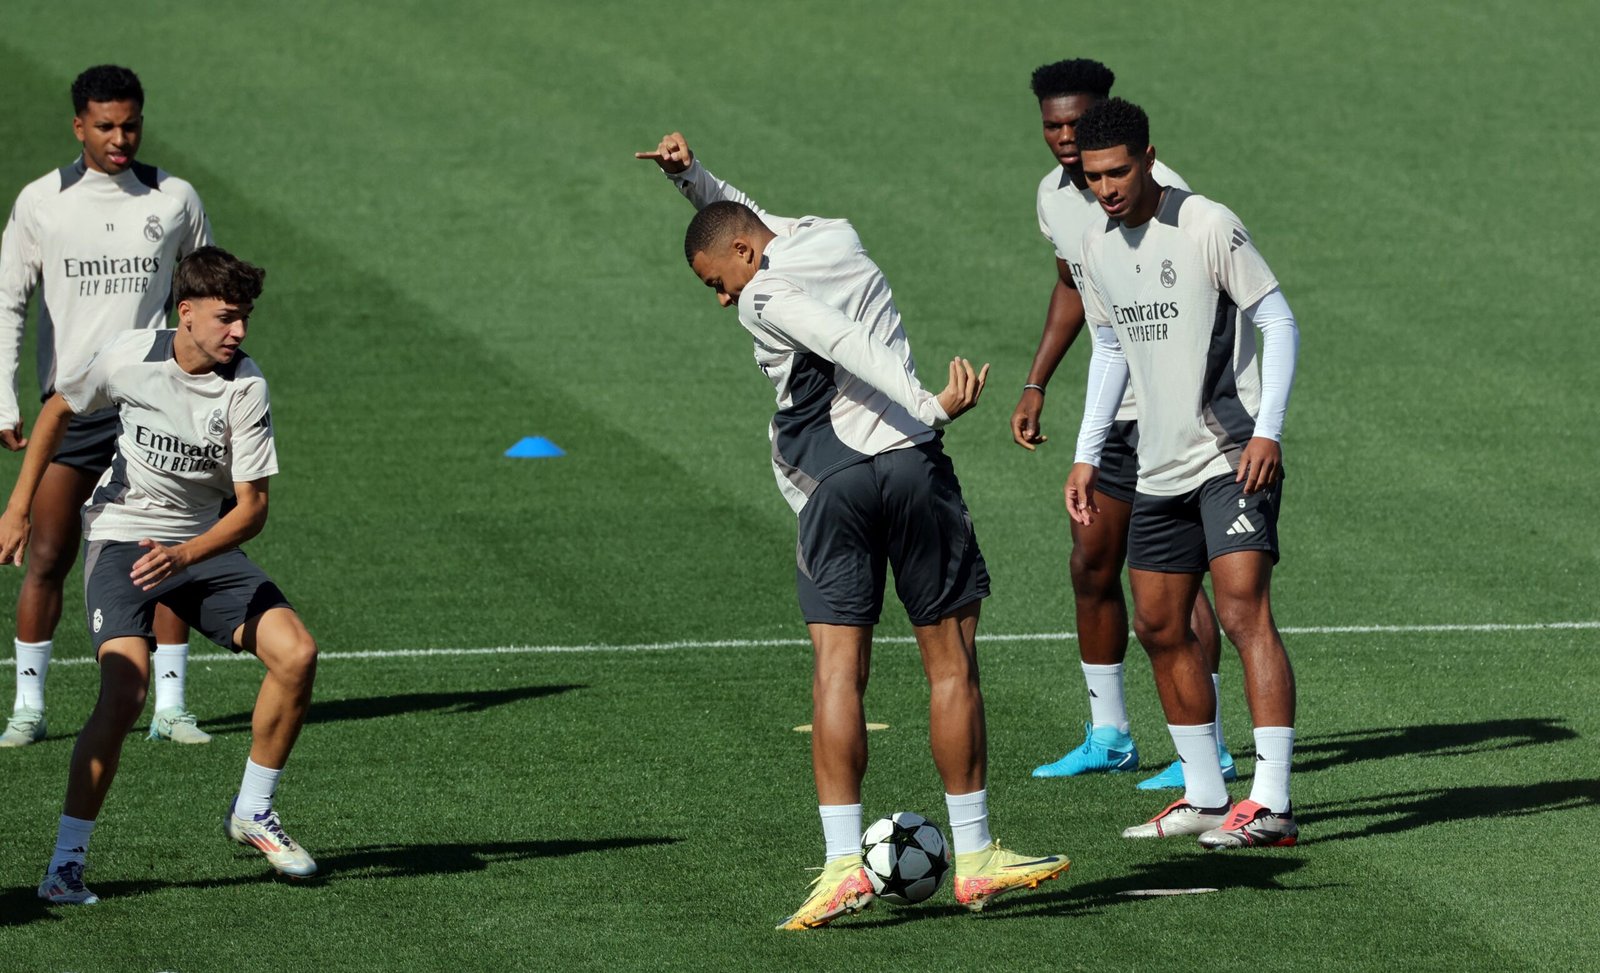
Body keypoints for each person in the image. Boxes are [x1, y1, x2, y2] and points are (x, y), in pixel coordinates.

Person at [636, 132, 1069, 927]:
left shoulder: (764, 299)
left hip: (831, 482)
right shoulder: (830, 234)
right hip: (910, 469)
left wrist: (926, 398)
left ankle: (842, 864)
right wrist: (691, 179)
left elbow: (838, 340)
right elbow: (747, 220)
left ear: (743, 255)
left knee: (840, 670)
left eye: (716, 284)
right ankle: (972, 856)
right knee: (951, 662)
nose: (725, 299)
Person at [0, 246, 320, 904]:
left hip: (200, 546)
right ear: (188, 313)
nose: (240, 332)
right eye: (228, 317)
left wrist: (187, 553)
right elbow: (60, 409)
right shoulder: (129, 356)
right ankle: (65, 864)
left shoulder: (246, 386)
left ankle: (252, 811)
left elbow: (254, 509)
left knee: (297, 653)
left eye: (246, 318)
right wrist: (17, 505)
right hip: (121, 542)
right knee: (125, 690)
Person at [1065, 98, 1301, 848]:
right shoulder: (1097, 250)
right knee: (1159, 624)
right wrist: (1086, 448)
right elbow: (1108, 351)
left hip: (1230, 455)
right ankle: (1203, 793)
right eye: (1094, 176)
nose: (1106, 187)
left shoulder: (1205, 222)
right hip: (1156, 467)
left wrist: (1267, 429)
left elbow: (1277, 317)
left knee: (1240, 614)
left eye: (1118, 171)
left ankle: (1270, 802)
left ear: (1148, 157)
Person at [1014, 59, 1235, 791]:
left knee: (1176, 586)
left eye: (1078, 123)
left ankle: (1212, 748)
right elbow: (1075, 289)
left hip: (1174, 419)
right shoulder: (1054, 197)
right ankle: (1109, 732)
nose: (1066, 138)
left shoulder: (1165, 193)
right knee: (1090, 560)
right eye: (1053, 125)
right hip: (1116, 416)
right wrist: (1037, 381)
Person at [0, 65, 213, 748]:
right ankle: (29, 705)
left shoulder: (175, 197)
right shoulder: (42, 203)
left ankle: (173, 705)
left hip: (156, 405)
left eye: (131, 124)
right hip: (74, 407)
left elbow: (207, 296)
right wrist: (3, 395)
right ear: (78, 127)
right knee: (49, 551)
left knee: (167, 548)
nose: (121, 138)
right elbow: (9, 301)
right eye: (106, 126)